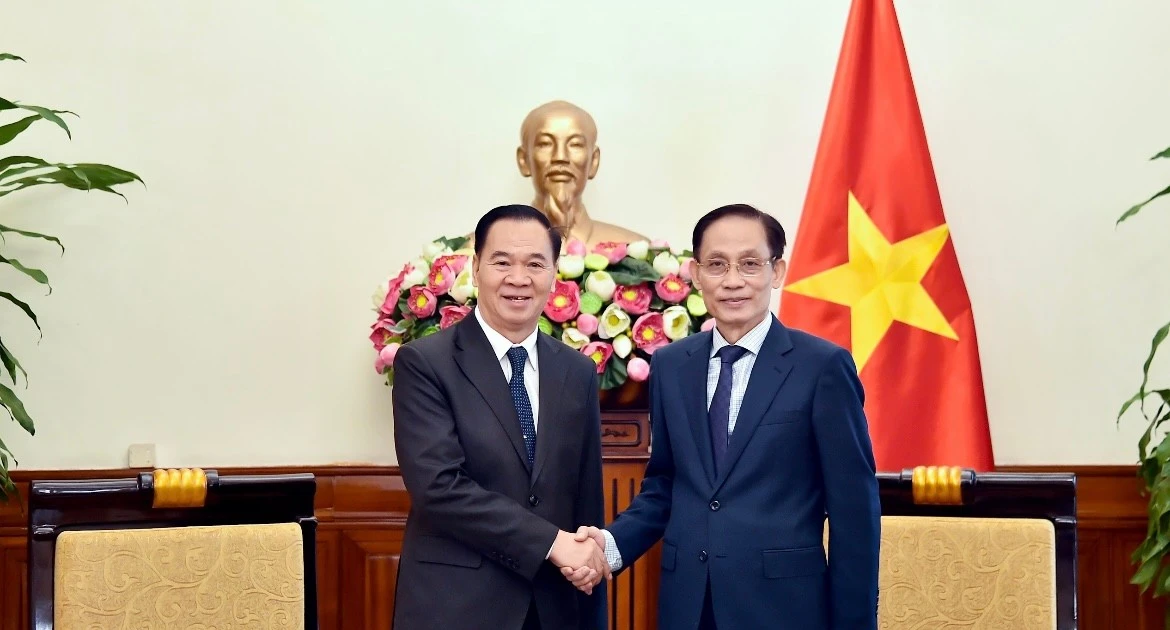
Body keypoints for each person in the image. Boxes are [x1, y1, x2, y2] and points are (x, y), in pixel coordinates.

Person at [567, 204, 881, 629]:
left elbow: (854, 514)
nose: (733, 281)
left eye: (750, 264)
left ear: (778, 271)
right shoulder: (672, 366)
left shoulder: (823, 367)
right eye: (717, 265)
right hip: (688, 608)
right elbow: (665, 486)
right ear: (695, 275)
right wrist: (608, 546)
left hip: (785, 609)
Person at [392, 204, 610, 630]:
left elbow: (586, 497)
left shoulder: (577, 371)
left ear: (553, 275)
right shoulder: (425, 363)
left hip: (553, 607)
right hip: (455, 606)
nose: (518, 278)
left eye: (534, 264)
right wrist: (551, 543)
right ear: (475, 269)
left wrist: (586, 566)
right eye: (502, 262)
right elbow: (439, 488)